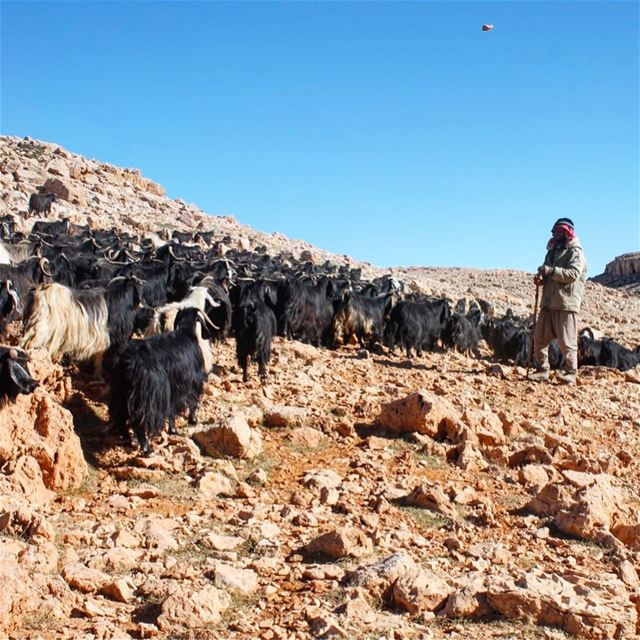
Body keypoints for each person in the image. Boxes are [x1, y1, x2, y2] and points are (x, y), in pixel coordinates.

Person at [528, 218, 587, 384]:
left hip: (566, 303)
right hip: (548, 302)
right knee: (539, 337)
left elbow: (573, 274)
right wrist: (541, 278)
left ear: (567, 232)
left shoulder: (576, 252)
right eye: (555, 232)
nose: (556, 234)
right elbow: (548, 272)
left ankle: (571, 372)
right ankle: (542, 370)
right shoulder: (552, 251)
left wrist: (551, 270)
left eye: (560, 231)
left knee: (567, 341)